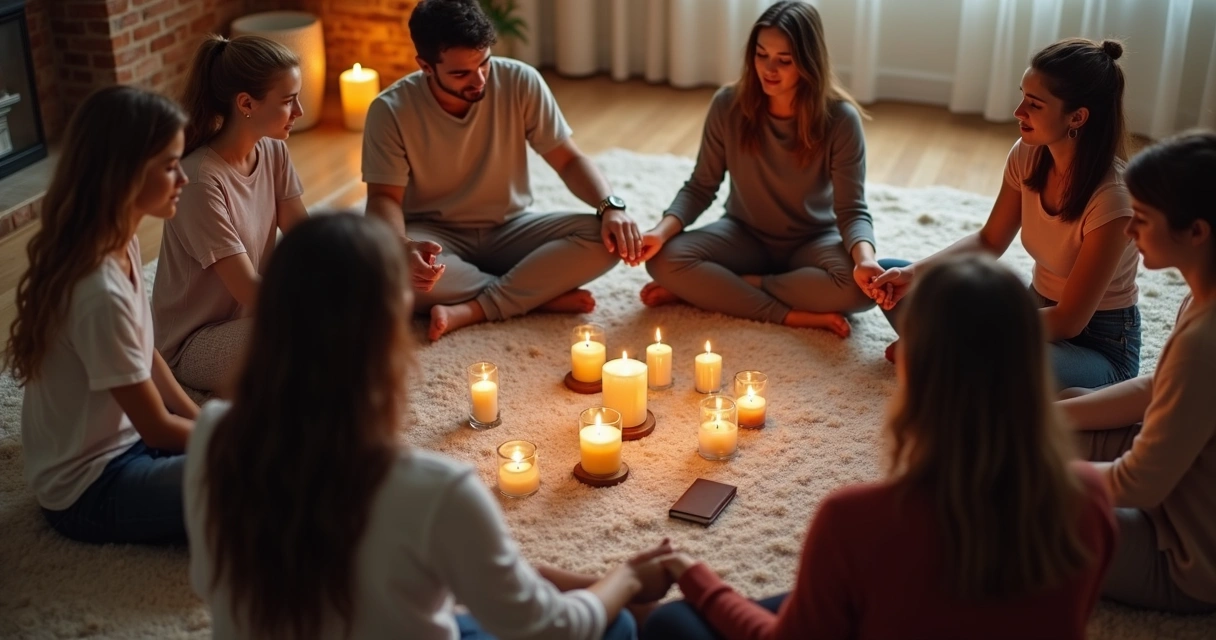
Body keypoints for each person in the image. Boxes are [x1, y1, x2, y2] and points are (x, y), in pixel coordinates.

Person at [184, 213, 672, 639]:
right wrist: (626, 579)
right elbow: (553, 629)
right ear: (385, 338)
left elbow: (209, 582)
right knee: (617, 625)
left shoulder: (213, 435)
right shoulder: (435, 489)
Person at [643, 255, 1116, 640]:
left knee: (671, 622)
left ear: (912, 366)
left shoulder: (856, 520)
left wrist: (695, 576)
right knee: (821, 597)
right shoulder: (1091, 496)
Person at [363, 0, 643, 341]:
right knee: (384, 273)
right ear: (426, 66)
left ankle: (473, 308)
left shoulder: (521, 80)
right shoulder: (389, 111)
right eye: (461, 73)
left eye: (485, 63)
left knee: (606, 239)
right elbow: (383, 200)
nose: (479, 79)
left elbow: (568, 159)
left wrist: (610, 206)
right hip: (437, 238)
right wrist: (401, 247)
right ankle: (536, 295)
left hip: (512, 227)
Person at [871, 38, 1140, 389]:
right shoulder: (1028, 154)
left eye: (1034, 104)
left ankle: (938, 356)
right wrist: (912, 274)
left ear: (1077, 116)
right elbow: (988, 241)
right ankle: (941, 356)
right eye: (1022, 96)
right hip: (1030, 314)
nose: (1018, 111)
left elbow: (1069, 320)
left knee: (988, 360)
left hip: (1098, 348)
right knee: (896, 276)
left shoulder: (1112, 199)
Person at [4, 86, 198, 544]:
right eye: (170, 167)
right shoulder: (97, 292)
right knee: (255, 479)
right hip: (91, 487)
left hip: (132, 445)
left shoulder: (120, 239)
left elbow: (145, 353)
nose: (184, 179)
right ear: (126, 175)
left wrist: (204, 418)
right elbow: (155, 425)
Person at [637, 1, 876, 338]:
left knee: (856, 291)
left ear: (809, 63)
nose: (769, 69)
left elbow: (852, 209)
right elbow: (701, 185)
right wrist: (660, 232)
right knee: (663, 261)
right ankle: (790, 315)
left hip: (812, 240)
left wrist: (865, 259)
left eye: (784, 60)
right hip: (743, 233)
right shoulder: (727, 104)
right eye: (761, 55)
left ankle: (726, 289)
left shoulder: (840, 119)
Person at [1057, 131, 1216, 614]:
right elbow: (1157, 387)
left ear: (1197, 231)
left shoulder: (1204, 343)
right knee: (1069, 401)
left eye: (1141, 220)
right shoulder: (1202, 295)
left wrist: (1035, 474)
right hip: (1179, 480)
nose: (1128, 232)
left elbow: (1140, 484)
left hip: (1184, 555)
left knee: (1007, 504)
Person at [152, 34, 307, 395]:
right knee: (310, 335)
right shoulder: (200, 180)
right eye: (288, 101)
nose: (299, 111)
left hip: (255, 317)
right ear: (246, 103)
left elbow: (308, 242)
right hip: (194, 344)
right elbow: (249, 289)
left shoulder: (273, 152)